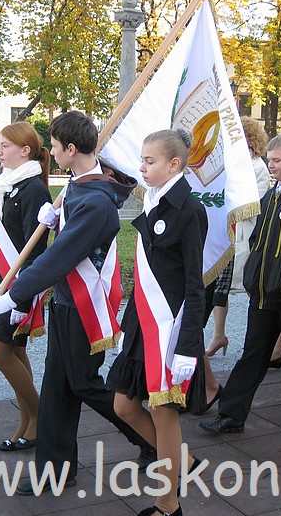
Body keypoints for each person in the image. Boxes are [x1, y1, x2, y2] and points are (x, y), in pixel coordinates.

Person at [0, 111, 153, 495]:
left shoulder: (96, 200)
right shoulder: (79, 187)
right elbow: (69, 240)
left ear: (71, 149)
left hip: (84, 307)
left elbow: (63, 256)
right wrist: (56, 219)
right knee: (58, 388)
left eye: (56, 146)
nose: (52, 152)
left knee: (84, 384)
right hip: (66, 302)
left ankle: (152, 438)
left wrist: (14, 295)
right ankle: (54, 471)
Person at [110, 129, 207, 516]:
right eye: (142, 160)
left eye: (150, 161)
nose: (142, 167)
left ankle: (168, 503)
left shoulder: (189, 210)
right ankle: (184, 463)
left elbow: (194, 284)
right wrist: (127, 326)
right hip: (143, 325)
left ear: (174, 164)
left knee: (164, 413)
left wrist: (188, 345)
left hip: (170, 330)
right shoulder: (152, 201)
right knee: (124, 406)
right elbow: (144, 277)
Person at [199, 134, 281, 435]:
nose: (271, 165)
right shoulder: (273, 195)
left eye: (277, 160)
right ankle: (231, 415)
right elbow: (257, 238)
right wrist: (255, 275)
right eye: (269, 159)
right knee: (252, 355)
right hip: (264, 295)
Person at [0, 122, 51, 451]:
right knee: (15, 351)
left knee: (0, 353)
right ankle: (27, 422)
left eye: (5, 145)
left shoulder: (33, 190)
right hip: (3, 283)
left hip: (19, 289)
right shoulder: (9, 185)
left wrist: (22, 299)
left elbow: (37, 250)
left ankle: (41, 417)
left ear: (25, 150)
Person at [209, 118, 270, 355]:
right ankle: (218, 335)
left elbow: (253, 203)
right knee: (219, 287)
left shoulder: (258, 167)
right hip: (224, 230)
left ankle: (258, 341)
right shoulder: (227, 163)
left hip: (243, 232)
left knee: (250, 287)